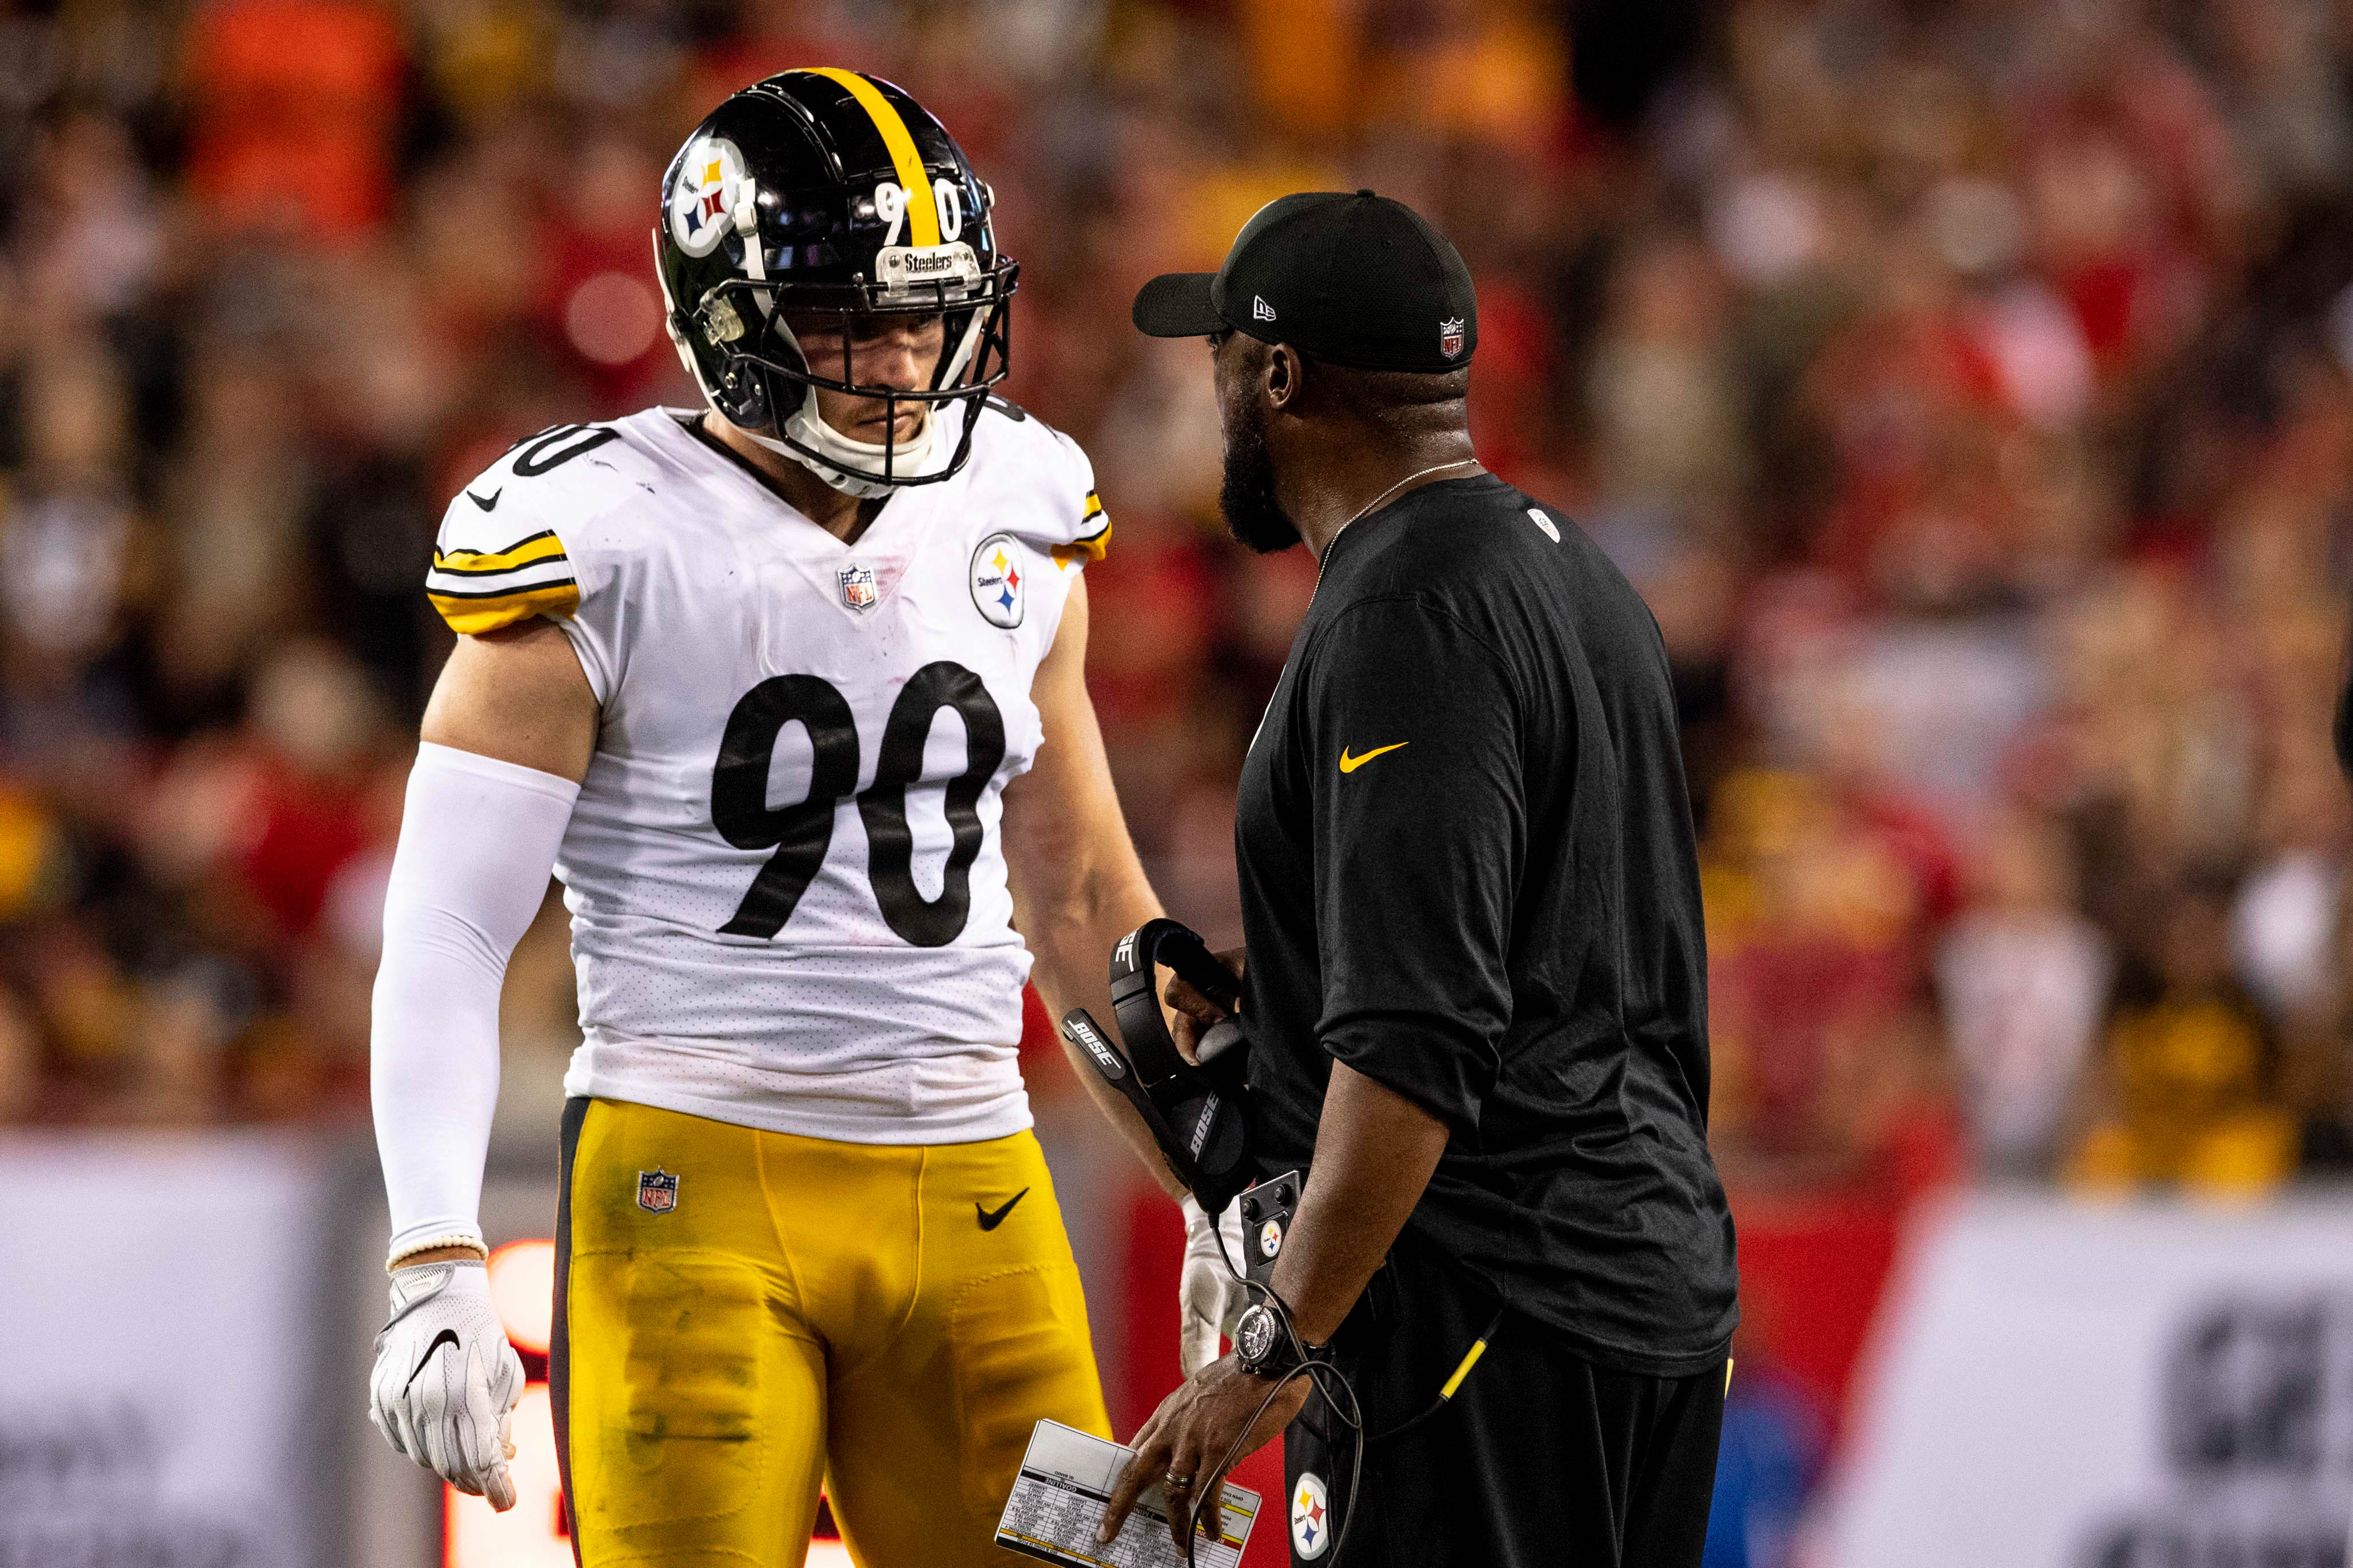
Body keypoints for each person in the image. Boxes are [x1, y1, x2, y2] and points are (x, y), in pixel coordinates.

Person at [363, 70, 1189, 1567]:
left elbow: (1076, 893)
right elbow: (447, 923)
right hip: (694, 1178)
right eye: (841, 320)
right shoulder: (597, 538)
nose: (894, 361)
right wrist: (430, 1252)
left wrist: (1214, 1170)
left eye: (921, 313)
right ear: (726, 320)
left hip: (977, 1180)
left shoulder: (1018, 493)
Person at [1100, 192, 1741, 1566]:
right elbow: (1538, 944)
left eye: (1221, 360)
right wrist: (1272, 994)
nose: (1213, 398)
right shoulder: (1569, 570)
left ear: (1281, 376)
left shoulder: (1404, 612)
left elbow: (1420, 1037)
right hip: (1636, 1281)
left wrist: (1280, 1334)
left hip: (1487, 1314)